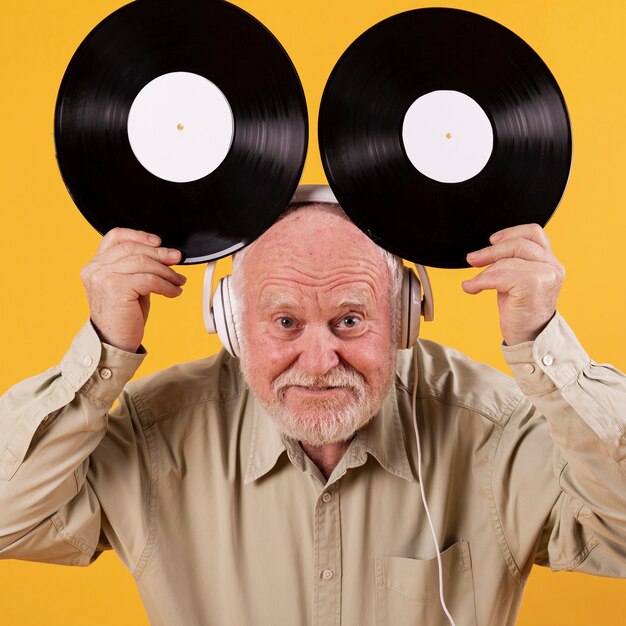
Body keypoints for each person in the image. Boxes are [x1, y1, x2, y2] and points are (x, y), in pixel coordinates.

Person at [0, 190, 624, 626]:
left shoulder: (494, 431)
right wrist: (105, 353)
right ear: (232, 325)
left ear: (404, 317)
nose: (319, 359)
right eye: (286, 321)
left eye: (350, 319)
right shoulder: (156, 436)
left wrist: (542, 346)